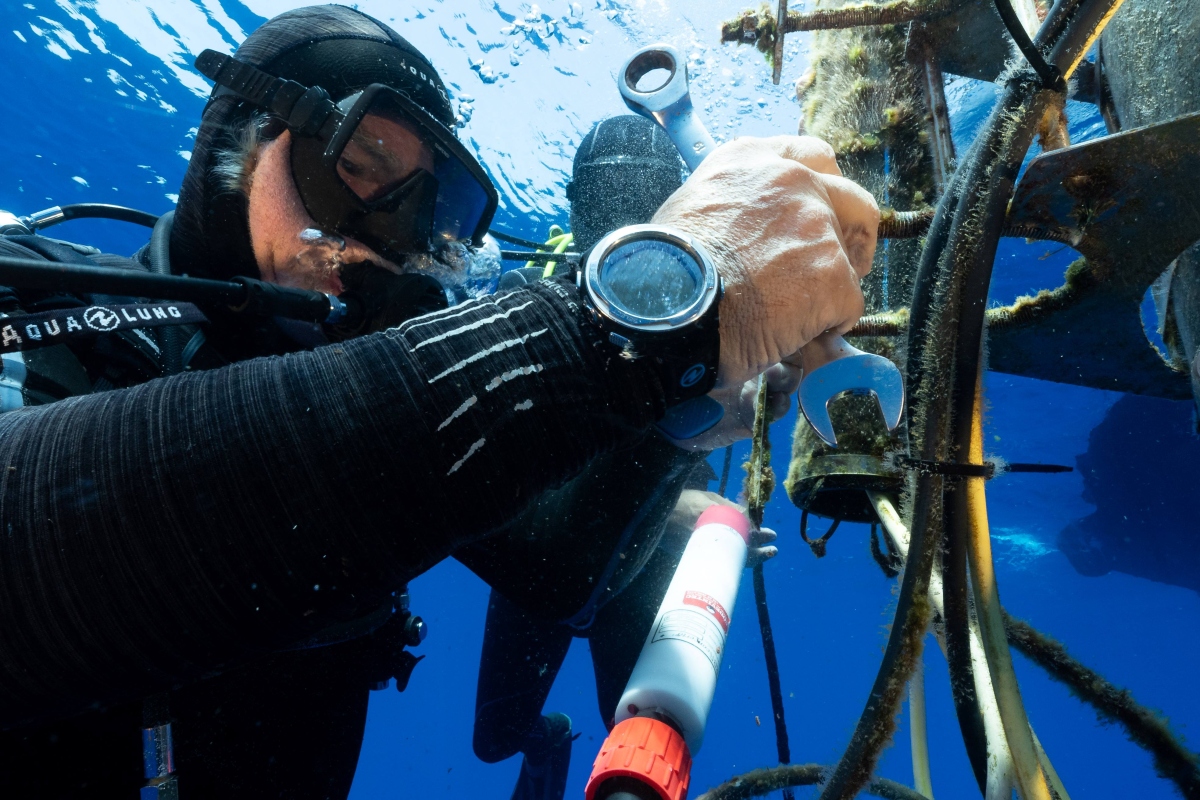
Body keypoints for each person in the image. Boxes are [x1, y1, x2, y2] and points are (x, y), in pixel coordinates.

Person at [0, 4, 878, 798]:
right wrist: (630, 326)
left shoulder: (387, 401)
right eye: (361, 165)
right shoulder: (42, 307)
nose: (387, 237)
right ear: (240, 134)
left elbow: (559, 568)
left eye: (436, 210)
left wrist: (675, 414)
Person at [460, 115, 786, 800]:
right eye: (608, 209)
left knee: (634, 734)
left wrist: (711, 527)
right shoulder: (526, 303)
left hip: (646, 555)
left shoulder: (711, 318)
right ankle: (548, 742)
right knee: (495, 740)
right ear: (581, 214)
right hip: (547, 544)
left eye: (639, 207)